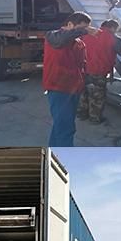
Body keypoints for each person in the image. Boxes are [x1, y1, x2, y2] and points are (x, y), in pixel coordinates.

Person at [43, 11, 94, 147]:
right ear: (70, 24)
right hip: (58, 88)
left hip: (74, 89)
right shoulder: (53, 36)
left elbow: (81, 65)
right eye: (81, 28)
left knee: (61, 126)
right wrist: (83, 31)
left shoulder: (79, 43)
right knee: (66, 128)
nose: (84, 32)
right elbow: (61, 39)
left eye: (86, 28)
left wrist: (86, 82)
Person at [78, 19, 121, 124]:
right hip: (99, 71)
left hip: (83, 70)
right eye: (116, 29)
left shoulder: (87, 35)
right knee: (97, 95)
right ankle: (94, 118)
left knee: (84, 92)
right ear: (113, 28)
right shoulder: (114, 38)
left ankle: (82, 114)